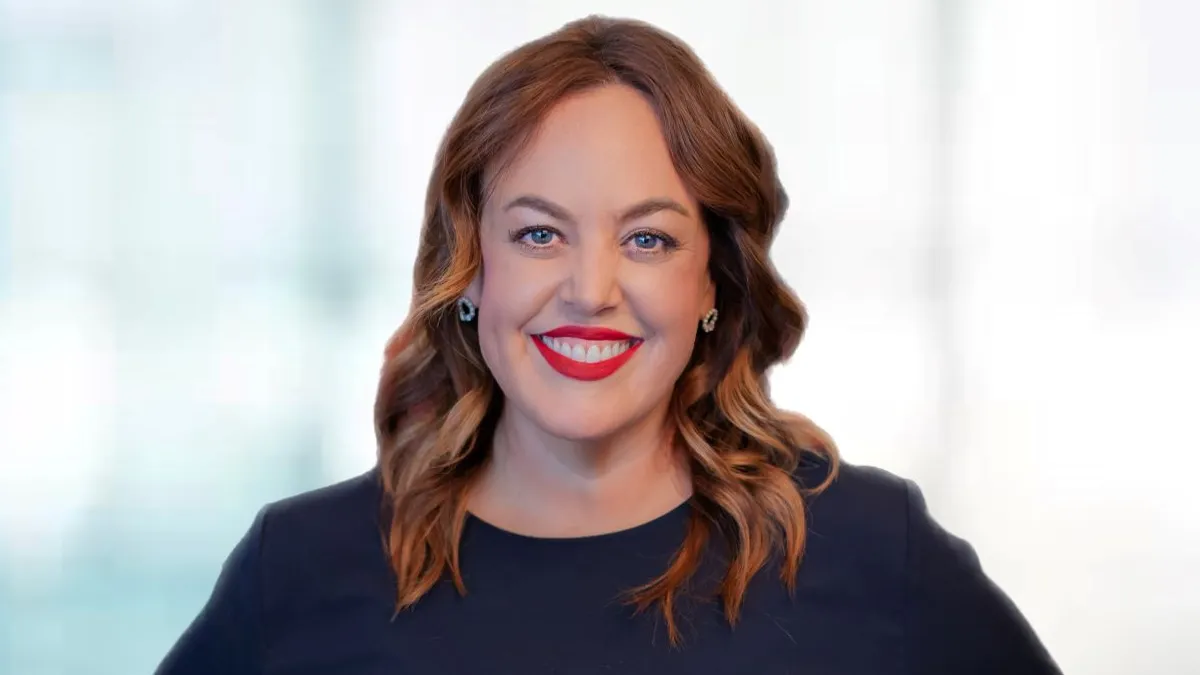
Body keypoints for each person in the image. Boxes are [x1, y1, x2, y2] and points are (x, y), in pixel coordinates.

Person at [156, 15, 1060, 675]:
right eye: (539, 234)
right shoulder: (303, 567)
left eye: (648, 239)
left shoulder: (870, 551)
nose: (590, 292)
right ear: (470, 270)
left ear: (712, 283)